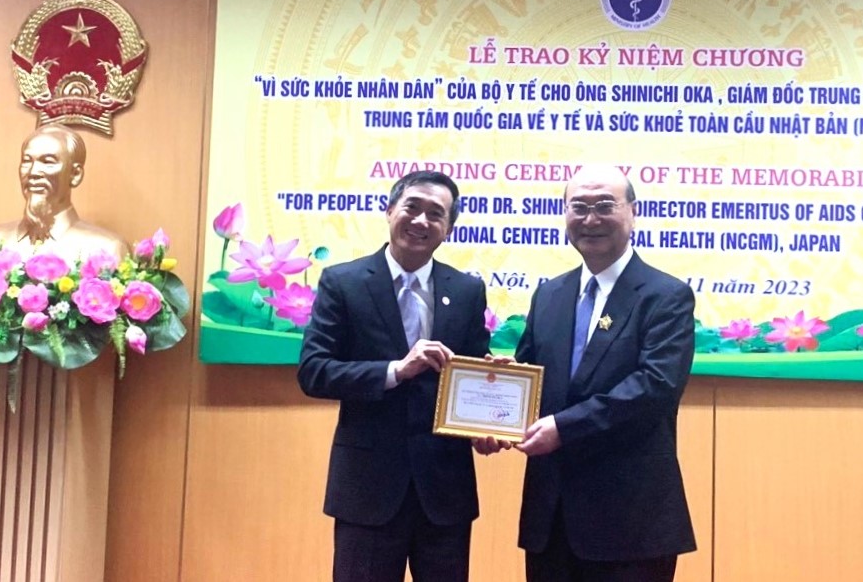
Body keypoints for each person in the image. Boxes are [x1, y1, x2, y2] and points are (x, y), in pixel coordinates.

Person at [297, 170, 491, 582]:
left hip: (444, 492)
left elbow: (472, 374)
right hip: (367, 489)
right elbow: (314, 372)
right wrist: (395, 371)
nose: (421, 220)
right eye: (412, 207)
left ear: (448, 229)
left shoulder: (468, 291)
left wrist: (488, 421)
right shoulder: (344, 282)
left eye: (435, 214)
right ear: (389, 211)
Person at [513, 164, 696, 581]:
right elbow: (530, 378)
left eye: (604, 206)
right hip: (551, 517)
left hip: (631, 521)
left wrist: (563, 427)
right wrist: (496, 416)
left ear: (633, 212)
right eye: (579, 207)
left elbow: (656, 386)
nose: (590, 219)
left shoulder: (666, 296)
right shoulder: (549, 294)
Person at [0, 124, 129, 261]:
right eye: (27, 161)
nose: (33, 172)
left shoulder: (107, 250)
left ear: (75, 175)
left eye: (48, 162)